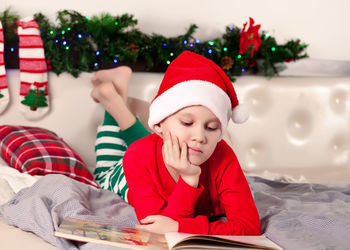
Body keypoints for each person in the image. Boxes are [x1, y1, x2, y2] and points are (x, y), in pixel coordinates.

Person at [91, 51, 261, 236]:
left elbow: (249, 227)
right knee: (104, 173)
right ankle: (113, 99)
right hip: (121, 175)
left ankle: (115, 94)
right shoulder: (137, 156)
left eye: (211, 127)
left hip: (152, 150)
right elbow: (158, 228)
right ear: (157, 125)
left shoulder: (224, 157)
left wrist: (180, 226)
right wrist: (188, 180)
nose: (199, 137)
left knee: (155, 146)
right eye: (187, 123)